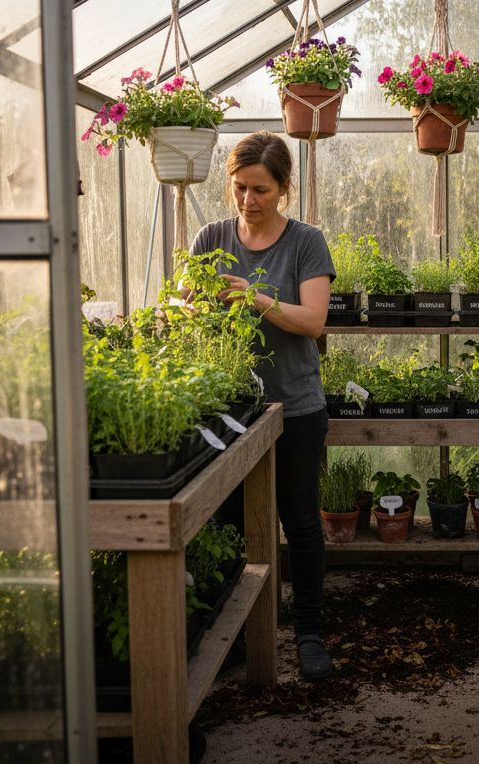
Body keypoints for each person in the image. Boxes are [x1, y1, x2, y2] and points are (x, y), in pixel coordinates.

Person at [190, 131, 335, 680]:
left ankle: (309, 633)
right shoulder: (211, 237)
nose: (248, 201)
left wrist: (252, 296)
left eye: (261, 190)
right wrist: (194, 304)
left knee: (298, 519)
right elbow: (186, 310)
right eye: (240, 187)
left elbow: (314, 321)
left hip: (295, 404)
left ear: (283, 190)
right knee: (227, 522)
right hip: (229, 410)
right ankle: (236, 637)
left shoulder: (305, 243)